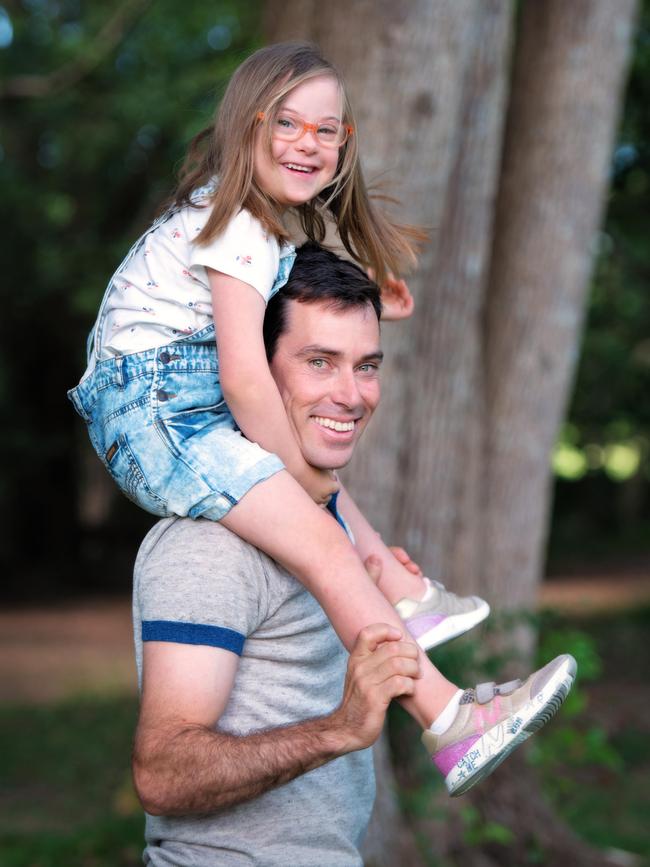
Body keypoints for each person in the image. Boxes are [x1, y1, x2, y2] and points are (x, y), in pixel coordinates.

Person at [68, 43, 574, 777]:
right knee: (319, 523)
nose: (308, 142)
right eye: (287, 123)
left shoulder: (248, 224)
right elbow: (246, 377)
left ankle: (399, 589)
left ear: (345, 143)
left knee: (326, 499)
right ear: (246, 128)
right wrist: (310, 493)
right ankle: (449, 717)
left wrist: (371, 289)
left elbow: (275, 322)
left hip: (166, 402)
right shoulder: (240, 225)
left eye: (326, 129)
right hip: (157, 411)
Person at [131, 245, 576, 867]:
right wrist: (340, 728)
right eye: (319, 362)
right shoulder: (208, 547)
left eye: (366, 366)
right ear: (255, 368)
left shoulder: (318, 528)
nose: (351, 395)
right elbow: (164, 775)